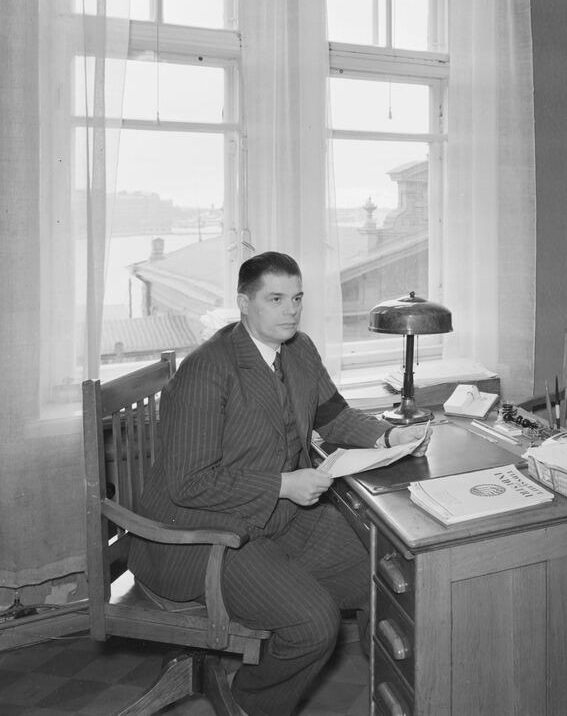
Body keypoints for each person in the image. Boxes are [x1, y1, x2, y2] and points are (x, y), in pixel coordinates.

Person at [129, 251, 428, 715]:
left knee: (388, 578)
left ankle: (394, 699)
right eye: (275, 298)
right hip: (200, 536)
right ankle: (250, 705)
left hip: (276, 519)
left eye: (297, 297)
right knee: (313, 624)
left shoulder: (299, 349)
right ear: (244, 303)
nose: (290, 309)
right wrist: (283, 485)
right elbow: (188, 483)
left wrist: (390, 436)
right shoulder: (209, 369)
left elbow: (335, 416)